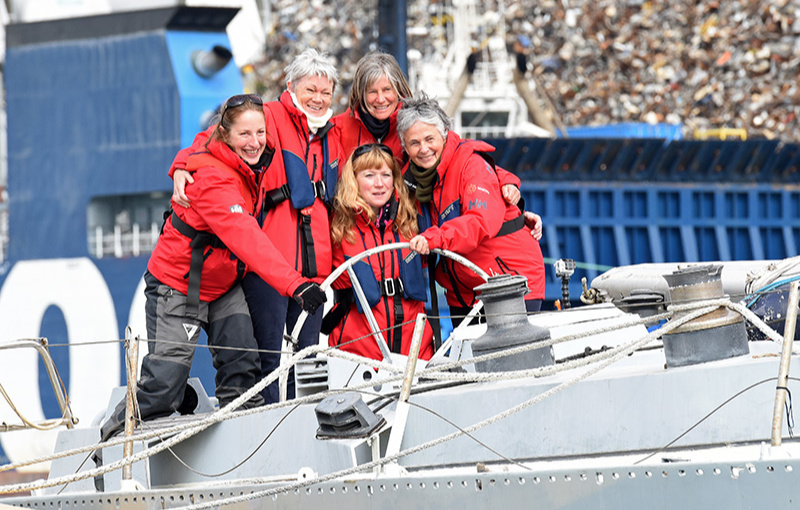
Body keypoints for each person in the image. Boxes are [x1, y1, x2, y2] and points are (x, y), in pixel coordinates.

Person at [100, 94, 326, 440]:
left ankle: (244, 446)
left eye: (260, 133)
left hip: (223, 283)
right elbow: (246, 237)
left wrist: (179, 163)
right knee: (164, 381)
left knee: (243, 365)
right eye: (244, 135)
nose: (255, 142)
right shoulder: (210, 180)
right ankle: (109, 444)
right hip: (179, 285)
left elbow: (202, 138)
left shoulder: (243, 145)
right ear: (227, 135)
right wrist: (296, 284)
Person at [169, 49, 342, 404]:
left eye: (325, 92)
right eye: (310, 90)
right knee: (268, 358)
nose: (318, 99)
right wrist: (181, 165)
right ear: (292, 86)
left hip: (314, 266)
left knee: (307, 360)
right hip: (267, 263)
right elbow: (215, 138)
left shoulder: (337, 131)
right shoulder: (271, 117)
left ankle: (303, 423)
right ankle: (268, 429)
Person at [334, 50, 537, 223]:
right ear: (360, 93)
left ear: (398, 90)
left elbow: (458, 153)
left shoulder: (414, 125)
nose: (380, 99)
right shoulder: (338, 128)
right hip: (355, 228)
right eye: (372, 92)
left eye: (387, 89)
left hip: (405, 227)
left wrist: (506, 181)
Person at [398, 93, 546, 324]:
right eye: (414, 143)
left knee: (507, 358)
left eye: (430, 139)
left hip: (507, 282)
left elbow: (480, 221)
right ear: (404, 147)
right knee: (469, 358)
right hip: (465, 291)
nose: (424, 149)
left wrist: (435, 237)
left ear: (444, 134)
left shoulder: (471, 165)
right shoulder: (416, 179)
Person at [325, 143, 435, 360]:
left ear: (394, 182)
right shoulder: (336, 228)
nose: (379, 184)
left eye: (386, 175)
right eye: (369, 175)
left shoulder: (410, 223)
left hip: (415, 350)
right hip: (358, 353)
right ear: (353, 180)